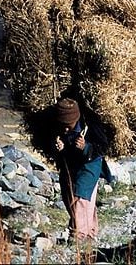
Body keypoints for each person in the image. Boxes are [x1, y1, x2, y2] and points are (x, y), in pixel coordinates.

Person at [49, 97, 113, 244]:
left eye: (68, 125)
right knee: (69, 197)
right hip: (69, 164)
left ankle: (78, 236)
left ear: (76, 119)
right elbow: (48, 146)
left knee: (81, 196)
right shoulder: (54, 126)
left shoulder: (92, 125)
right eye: (62, 125)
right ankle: (91, 233)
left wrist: (86, 147)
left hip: (90, 165)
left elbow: (103, 148)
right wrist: (57, 148)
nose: (65, 129)